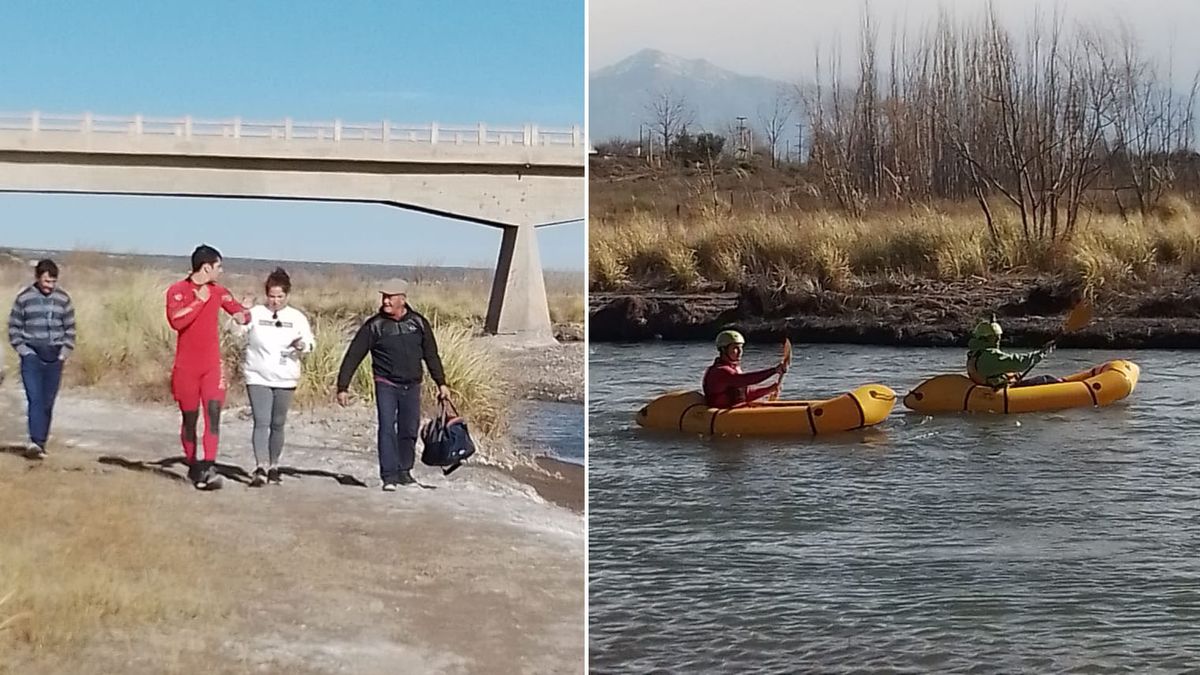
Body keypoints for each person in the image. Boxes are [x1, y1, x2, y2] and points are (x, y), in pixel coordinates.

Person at [335, 282, 451, 491]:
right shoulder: (375, 325)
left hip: (413, 385)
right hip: (386, 383)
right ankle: (389, 476)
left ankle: (404, 471)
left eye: (391, 297)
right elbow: (353, 355)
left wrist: (441, 382)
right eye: (384, 297)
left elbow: (431, 354)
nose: (386, 301)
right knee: (387, 427)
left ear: (403, 299)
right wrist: (343, 386)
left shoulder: (418, 323)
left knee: (409, 428)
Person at [165, 244, 251, 490]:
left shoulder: (219, 291)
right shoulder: (177, 291)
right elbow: (176, 321)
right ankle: (194, 465)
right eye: (218, 267)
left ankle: (210, 465)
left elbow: (240, 313)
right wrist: (198, 303)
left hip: (212, 367)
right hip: (186, 368)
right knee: (190, 419)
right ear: (206, 267)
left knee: (213, 417)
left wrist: (243, 312)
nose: (220, 271)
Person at [236, 267, 315, 487]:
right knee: (261, 422)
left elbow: (309, 343)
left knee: (277, 423)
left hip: (285, 377)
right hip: (257, 375)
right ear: (266, 294)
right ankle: (260, 466)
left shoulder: (296, 317)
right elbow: (235, 331)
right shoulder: (257, 313)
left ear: (287, 295)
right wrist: (242, 312)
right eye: (271, 296)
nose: (275, 301)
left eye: (280, 296)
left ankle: (274, 466)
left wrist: (301, 345)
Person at [7, 259, 76, 458]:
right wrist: (24, 350)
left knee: (47, 402)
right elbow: (14, 327)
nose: (49, 286)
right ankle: (35, 442)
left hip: (55, 357)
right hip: (32, 356)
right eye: (46, 282)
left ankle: (42, 441)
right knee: (35, 399)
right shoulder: (24, 298)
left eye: (53, 282)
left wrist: (64, 352)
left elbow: (70, 328)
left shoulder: (63, 299)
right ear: (37, 278)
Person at [966, 318, 1062, 388]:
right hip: (997, 391)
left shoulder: (974, 353)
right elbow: (1021, 363)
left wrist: (1010, 375)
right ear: (987, 338)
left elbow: (993, 372)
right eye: (996, 337)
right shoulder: (990, 355)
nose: (998, 340)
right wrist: (1042, 353)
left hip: (988, 387)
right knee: (1046, 379)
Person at [702, 330, 787, 408]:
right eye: (735, 348)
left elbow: (746, 394)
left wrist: (769, 389)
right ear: (723, 350)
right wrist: (774, 371)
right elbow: (746, 380)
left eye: (741, 347)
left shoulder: (735, 369)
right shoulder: (719, 371)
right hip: (723, 416)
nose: (740, 351)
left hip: (736, 411)